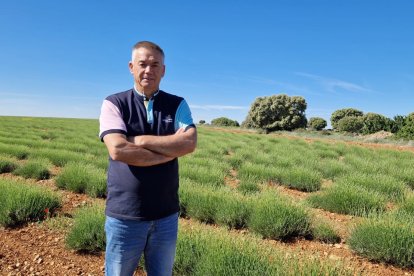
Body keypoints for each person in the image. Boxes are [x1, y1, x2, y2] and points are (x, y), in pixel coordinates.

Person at [99, 41, 197, 276]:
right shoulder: (114, 103)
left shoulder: (177, 104)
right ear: (131, 67)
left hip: (166, 215)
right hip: (125, 216)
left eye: (155, 65)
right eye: (143, 64)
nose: (148, 70)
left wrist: (140, 140)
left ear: (163, 70)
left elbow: (189, 143)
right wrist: (170, 150)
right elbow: (118, 150)